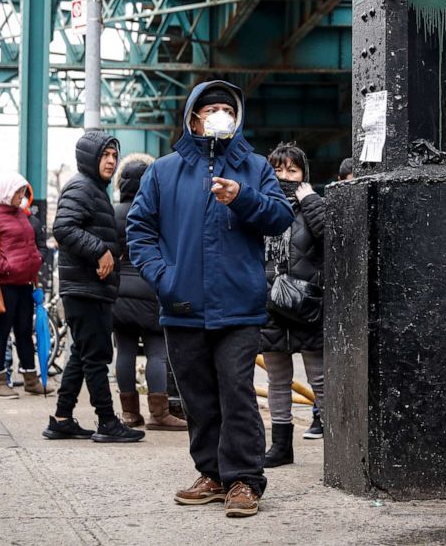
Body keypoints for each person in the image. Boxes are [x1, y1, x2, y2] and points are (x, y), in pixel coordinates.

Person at [127, 80, 293, 518]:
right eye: (211, 108)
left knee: (236, 392)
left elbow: (279, 218)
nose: (220, 114)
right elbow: (139, 231)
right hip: (182, 305)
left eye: (227, 108)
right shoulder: (163, 171)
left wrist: (243, 199)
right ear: (194, 117)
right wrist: (166, 278)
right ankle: (213, 474)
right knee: (198, 397)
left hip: (239, 305)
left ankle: (245, 479)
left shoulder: (254, 167)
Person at [44, 132, 144, 443]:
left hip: (90, 286)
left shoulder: (94, 190)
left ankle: (62, 417)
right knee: (97, 355)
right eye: (105, 155)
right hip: (84, 287)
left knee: (81, 352)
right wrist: (100, 250)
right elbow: (63, 227)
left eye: (115, 156)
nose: (112, 162)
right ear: (90, 157)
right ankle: (106, 421)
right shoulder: (81, 187)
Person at [261, 143, 326, 466]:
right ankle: (281, 447)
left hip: (306, 307)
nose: (284, 176)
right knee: (277, 381)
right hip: (271, 307)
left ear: (303, 175)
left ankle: (338, 443)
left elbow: (331, 234)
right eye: (278, 169)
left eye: (292, 170)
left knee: (322, 380)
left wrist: (310, 199)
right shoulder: (261, 207)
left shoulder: (312, 205)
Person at [111, 152, 186, 431]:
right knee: (157, 351)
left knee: (126, 351)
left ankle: (130, 414)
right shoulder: (158, 212)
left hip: (119, 292)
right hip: (149, 289)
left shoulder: (112, 213)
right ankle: (160, 413)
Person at [0, 171, 47, 399]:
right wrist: (5, 266)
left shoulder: (20, 214)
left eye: (23, 191)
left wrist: (34, 265)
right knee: (1, 332)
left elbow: (29, 243)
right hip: (2, 284)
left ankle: (31, 379)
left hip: (23, 283)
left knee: (25, 332)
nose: (21, 195)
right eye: (17, 191)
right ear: (6, 191)